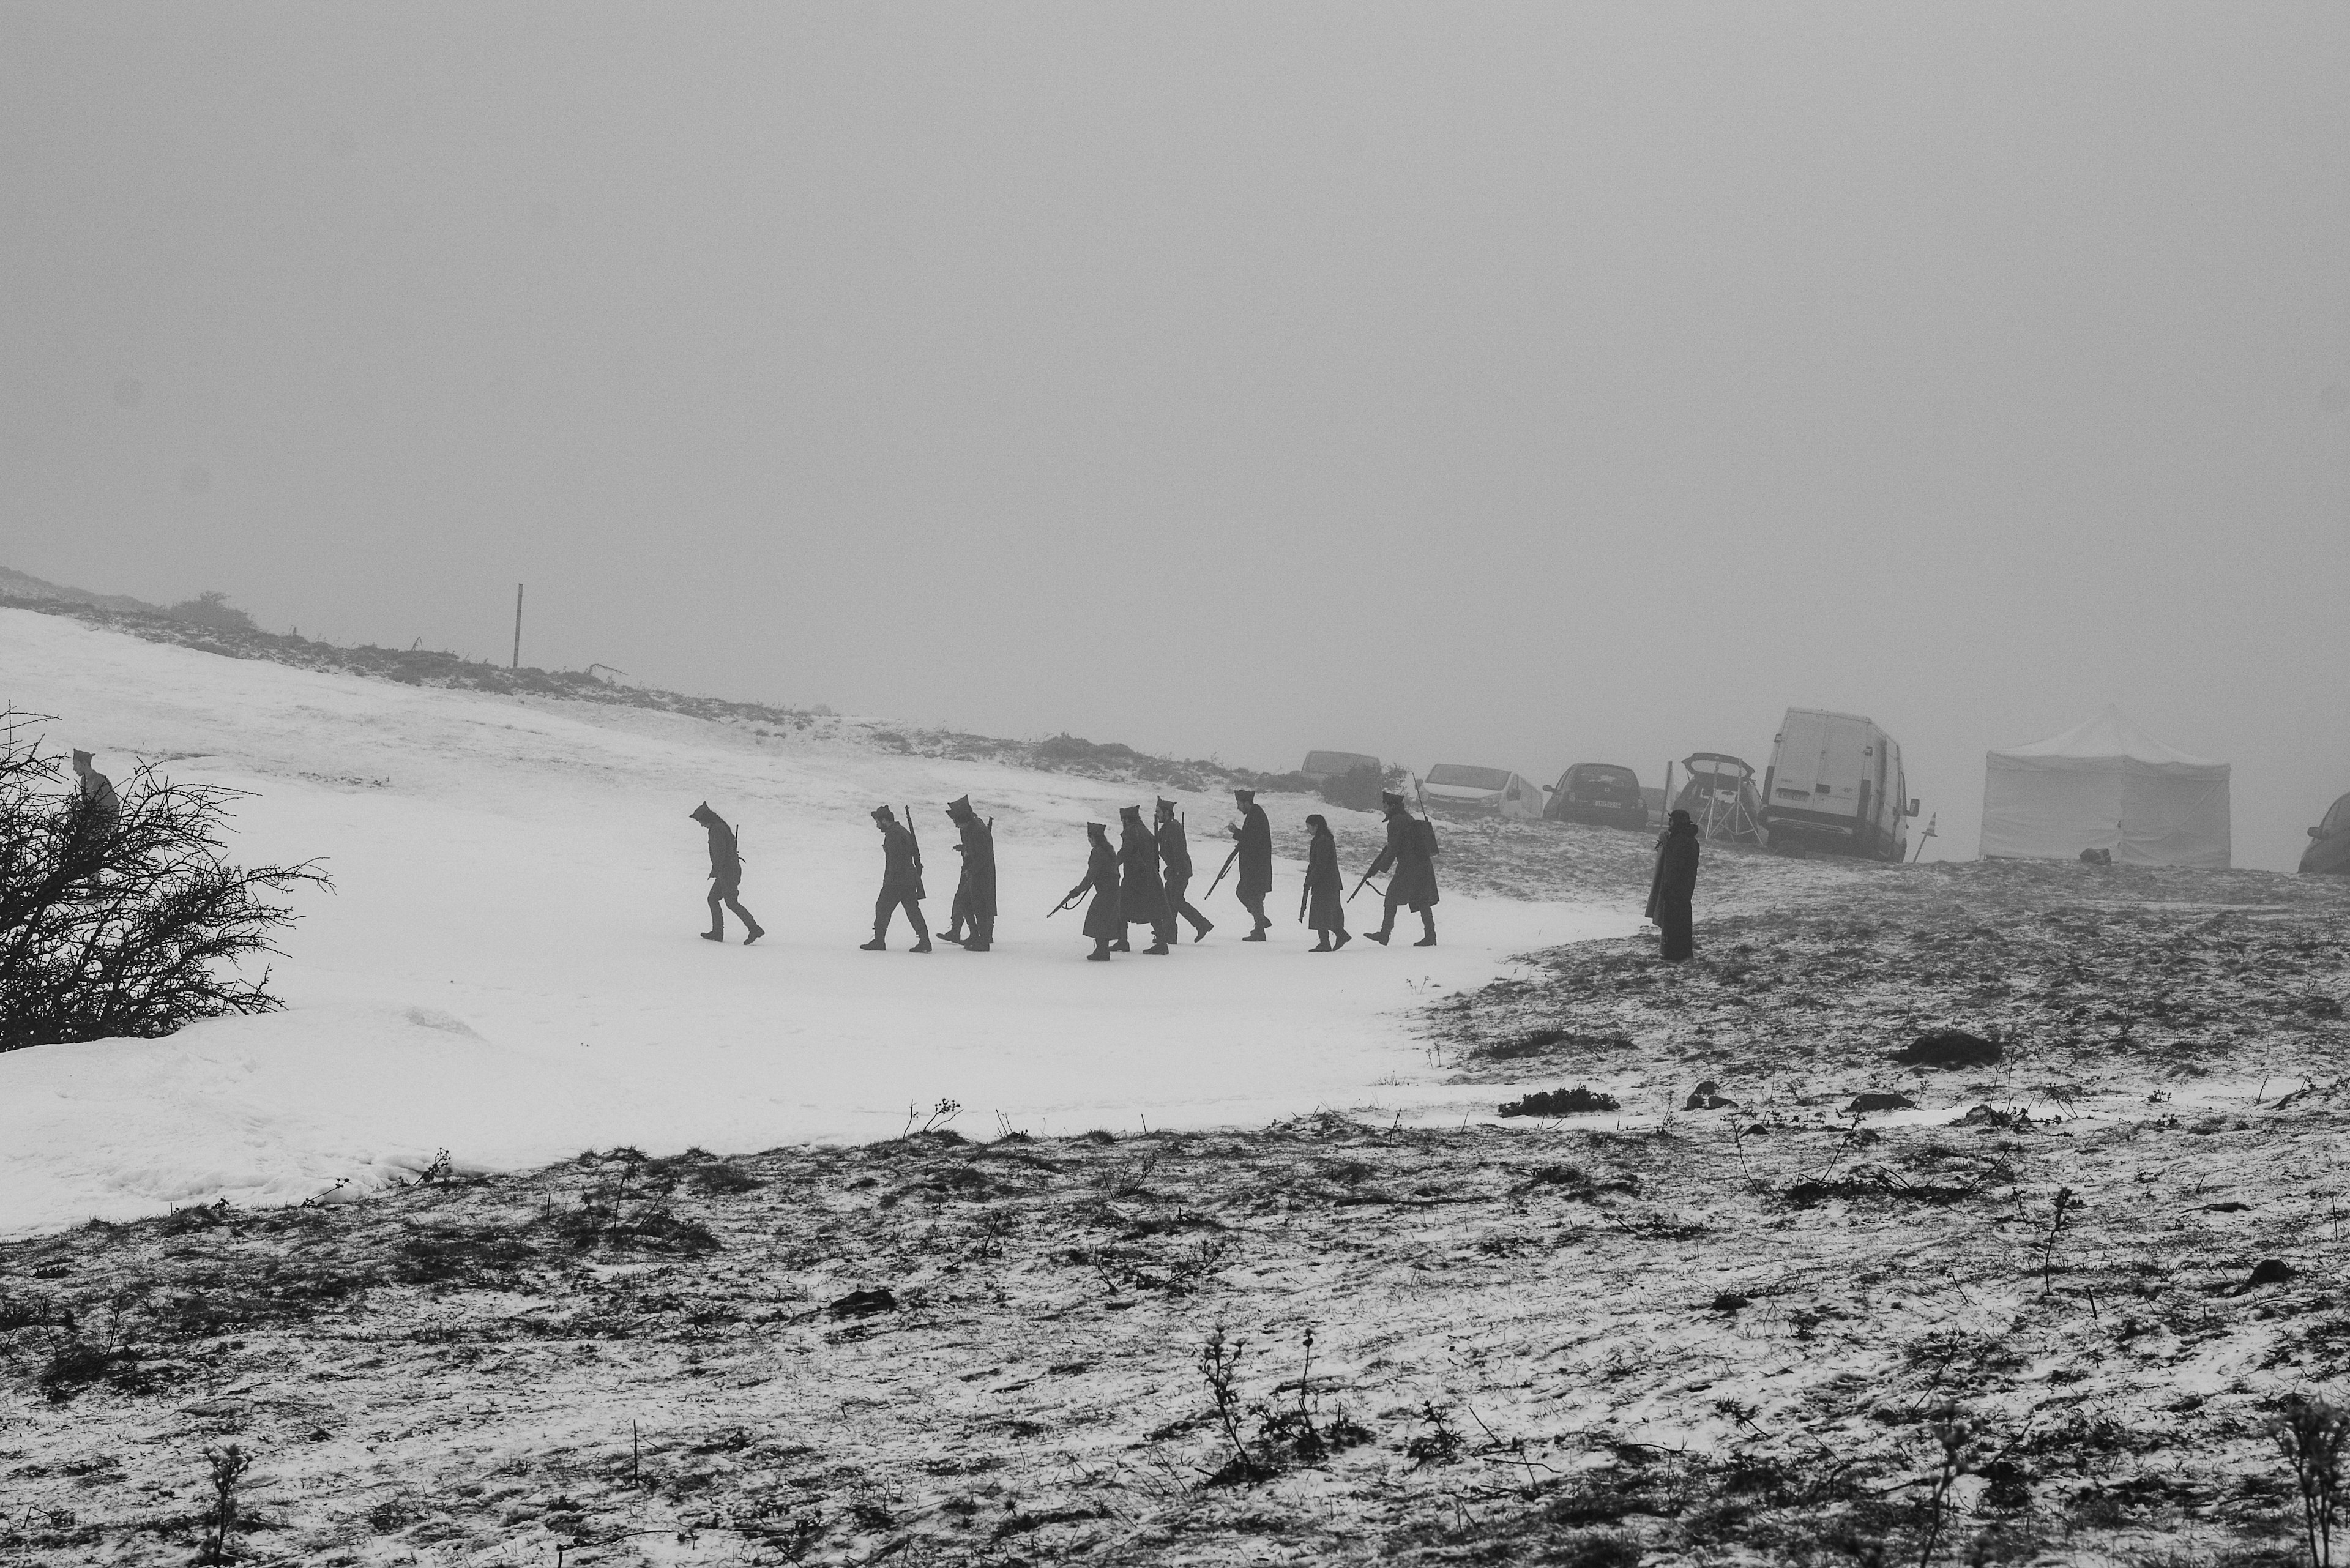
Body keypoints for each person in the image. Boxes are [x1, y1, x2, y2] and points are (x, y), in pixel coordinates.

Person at [1363, 790, 1439, 947]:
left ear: (1392, 806)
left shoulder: (1395, 822)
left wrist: (1379, 867)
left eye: (1385, 806)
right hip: (1422, 864)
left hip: (1410, 866)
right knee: (1422, 899)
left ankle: (1385, 934)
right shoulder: (1406, 818)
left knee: (1392, 897)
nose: (1383, 809)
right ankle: (1430, 935)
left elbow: (1393, 849)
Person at [688, 802, 764, 945]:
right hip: (729, 870)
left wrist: (715, 870)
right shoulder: (720, 827)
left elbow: (720, 853)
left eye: (700, 821)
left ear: (706, 819)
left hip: (727, 872)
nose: (701, 825)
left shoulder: (716, 829)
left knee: (731, 903)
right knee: (713, 899)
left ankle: (753, 928)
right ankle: (718, 932)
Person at [861, 805, 931, 953]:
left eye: (878, 821)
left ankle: (879, 941)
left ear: (885, 820)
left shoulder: (893, 835)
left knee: (882, 908)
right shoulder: (900, 831)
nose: (877, 825)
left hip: (897, 881)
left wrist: (890, 880)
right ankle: (925, 941)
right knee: (913, 911)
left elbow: (896, 860)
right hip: (908, 879)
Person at [1061, 821, 1124, 961]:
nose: (1089, 841)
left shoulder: (1097, 852)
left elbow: (1090, 876)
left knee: (1097, 918)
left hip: (1105, 892)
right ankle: (1102, 950)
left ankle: (1102, 951)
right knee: (1104, 919)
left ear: (1094, 838)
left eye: (1090, 837)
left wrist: (1077, 891)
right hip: (1113, 891)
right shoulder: (1109, 850)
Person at [1117, 804, 1173, 955]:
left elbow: (1126, 852)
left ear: (1127, 820)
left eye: (1123, 820)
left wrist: (1112, 864)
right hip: (1149, 874)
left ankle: (1123, 941)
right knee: (1153, 909)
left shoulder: (1130, 832)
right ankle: (1161, 942)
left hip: (1135, 876)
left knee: (1122, 905)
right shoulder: (1144, 831)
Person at [1647, 808, 1701, 961]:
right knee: (1682, 924)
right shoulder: (1690, 840)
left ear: (1677, 822)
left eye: (1671, 821)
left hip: (1676, 890)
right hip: (1685, 890)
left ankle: (1671, 955)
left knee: (1673, 924)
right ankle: (1682, 954)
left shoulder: (1679, 841)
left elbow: (1674, 867)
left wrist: (1668, 888)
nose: (1669, 823)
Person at [1156, 797, 1212, 943]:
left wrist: (1177, 872)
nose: (1157, 815)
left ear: (1167, 813)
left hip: (1179, 871)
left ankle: (1202, 924)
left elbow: (1179, 852)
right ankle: (1169, 934)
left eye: (1159, 812)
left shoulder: (1173, 828)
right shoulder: (1168, 828)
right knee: (1170, 900)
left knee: (1177, 901)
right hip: (1176, 870)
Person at [944, 796, 996, 951]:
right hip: (974, 872)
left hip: (981, 874)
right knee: (964, 901)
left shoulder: (978, 830)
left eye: (956, 821)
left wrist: (971, 870)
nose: (955, 825)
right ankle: (975, 935)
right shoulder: (970, 828)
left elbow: (984, 856)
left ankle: (983, 941)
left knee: (979, 905)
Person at [1228, 786, 1274, 941]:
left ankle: (1260, 928)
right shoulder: (1255, 815)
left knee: (1252, 896)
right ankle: (1260, 920)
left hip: (1257, 868)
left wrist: (1236, 832)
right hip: (1254, 867)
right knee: (1246, 894)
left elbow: (1251, 840)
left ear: (1247, 803)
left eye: (1239, 803)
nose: (1238, 807)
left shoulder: (1257, 816)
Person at [1301, 813, 1349, 952]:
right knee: (1326, 912)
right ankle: (1336, 937)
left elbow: (1321, 865)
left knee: (1322, 912)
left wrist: (1310, 881)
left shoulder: (1323, 841)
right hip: (1327, 883)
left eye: (1309, 827)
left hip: (1325, 883)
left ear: (1316, 826)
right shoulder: (1322, 840)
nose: (1308, 830)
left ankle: (1328, 941)